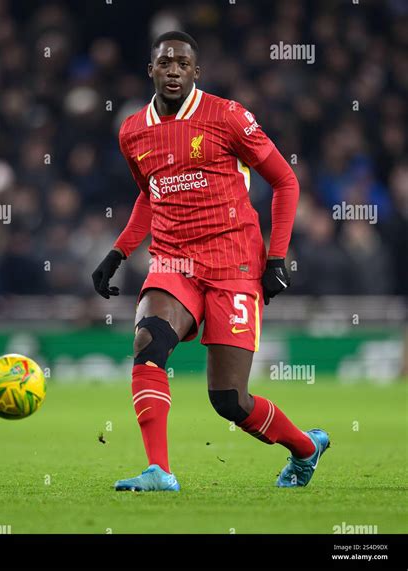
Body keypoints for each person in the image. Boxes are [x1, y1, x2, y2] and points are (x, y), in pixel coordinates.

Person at [93, 31, 329, 491]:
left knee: (229, 400)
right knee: (149, 342)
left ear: (196, 72)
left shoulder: (227, 116)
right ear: (152, 71)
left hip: (234, 264)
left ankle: (304, 447)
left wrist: (276, 256)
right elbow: (150, 194)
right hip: (173, 261)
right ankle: (159, 471)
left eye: (183, 63)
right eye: (165, 63)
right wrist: (118, 251)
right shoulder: (132, 131)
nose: (174, 70)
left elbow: (285, 181)